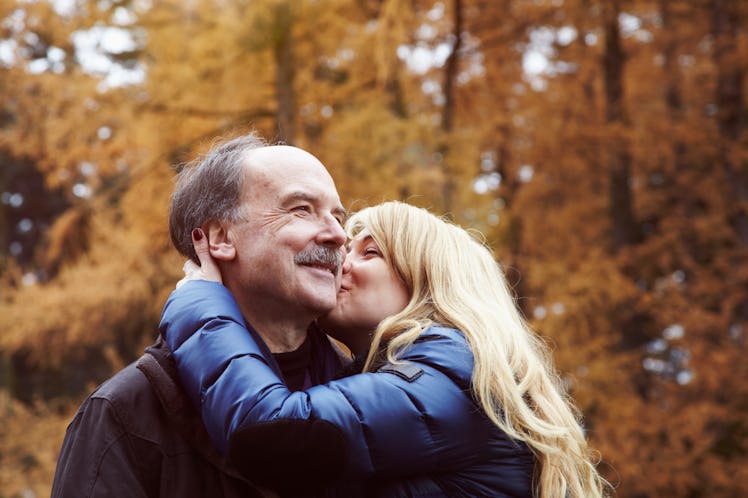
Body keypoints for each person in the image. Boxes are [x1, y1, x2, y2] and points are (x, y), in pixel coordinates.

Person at [161, 201, 609, 497]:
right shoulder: (412, 376)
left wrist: (200, 299)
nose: (341, 262)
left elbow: (274, 431)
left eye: (369, 252)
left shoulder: (453, 380)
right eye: (345, 248)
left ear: (430, 284)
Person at [51, 133, 352, 497]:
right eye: (301, 209)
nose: (337, 235)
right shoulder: (125, 413)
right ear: (220, 238)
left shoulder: (369, 389)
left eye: (338, 217)